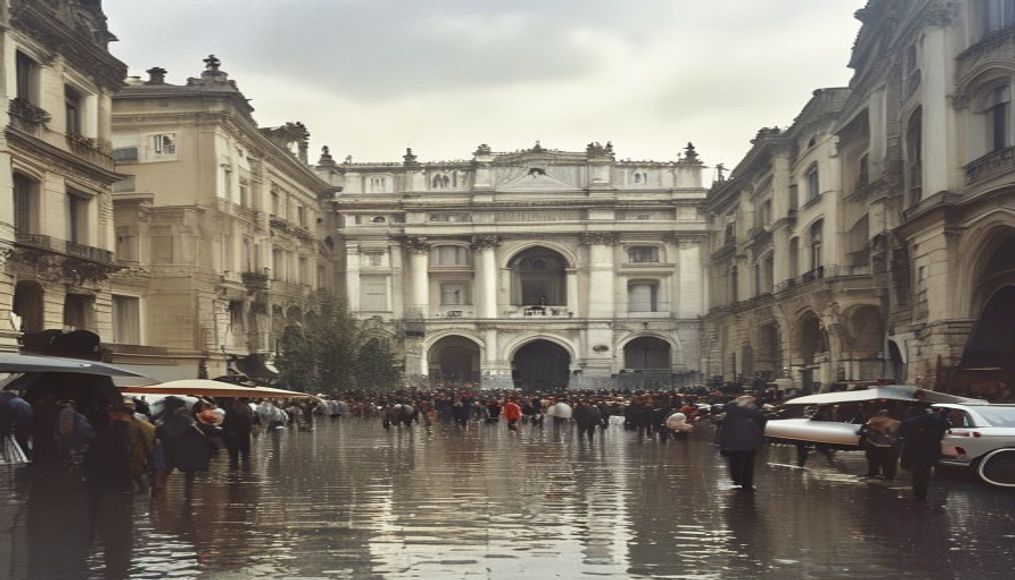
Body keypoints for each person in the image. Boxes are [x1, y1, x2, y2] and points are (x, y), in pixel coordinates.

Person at [899, 407, 949, 501]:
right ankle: (922, 493)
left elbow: (901, 434)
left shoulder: (908, 421)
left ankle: (917, 492)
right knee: (925, 472)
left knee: (916, 472)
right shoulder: (937, 421)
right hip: (929, 450)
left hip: (913, 450)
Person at [718, 395, 767, 491]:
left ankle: (737, 481)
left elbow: (724, 428)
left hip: (732, 441)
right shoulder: (755, 413)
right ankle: (746, 484)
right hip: (750, 442)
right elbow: (762, 424)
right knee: (748, 464)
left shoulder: (730, 412)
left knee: (734, 462)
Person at [859, 408, 901, 479]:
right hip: (889, 445)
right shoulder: (897, 422)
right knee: (889, 462)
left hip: (875, 443)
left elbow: (864, 429)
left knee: (874, 460)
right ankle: (888, 475)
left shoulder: (872, 420)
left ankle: (875, 473)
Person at [0, 392, 33, 460]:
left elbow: (4, 418)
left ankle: (19, 460)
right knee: (24, 444)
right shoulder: (25, 403)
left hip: (16, 427)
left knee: (16, 446)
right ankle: (27, 458)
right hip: (27, 426)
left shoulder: (6, 403)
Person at [221, 398, 254, 465]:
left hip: (234, 436)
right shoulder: (247, 410)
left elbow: (225, 424)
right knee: (244, 458)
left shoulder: (231, 411)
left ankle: (235, 473)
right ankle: (244, 473)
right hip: (242, 437)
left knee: (234, 459)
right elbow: (249, 424)